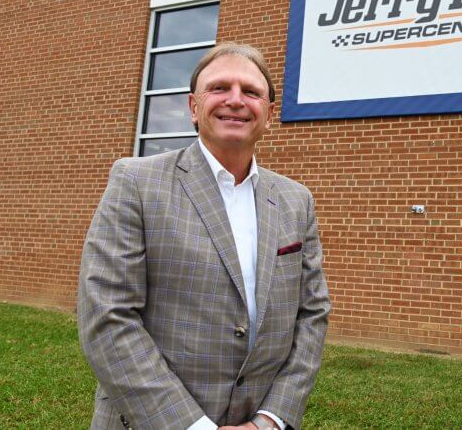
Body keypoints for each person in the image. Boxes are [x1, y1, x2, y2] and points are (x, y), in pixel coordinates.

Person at [78, 42, 331, 430]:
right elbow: (107, 316)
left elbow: (312, 315)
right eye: (219, 88)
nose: (235, 100)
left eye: (251, 91)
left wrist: (270, 420)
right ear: (194, 107)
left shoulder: (297, 200)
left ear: (269, 114)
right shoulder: (136, 182)